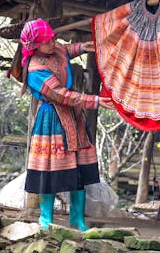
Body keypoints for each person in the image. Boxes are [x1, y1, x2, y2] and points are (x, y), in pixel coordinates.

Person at [19, 19, 113, 231]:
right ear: (35, 46)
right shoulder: (35, 70)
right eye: (48, 40)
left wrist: (83, 47)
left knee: (77, 166)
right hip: (51, 119)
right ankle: (45, 218)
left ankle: (77, 219)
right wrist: (95, 101)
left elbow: (65, 50)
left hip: (72, 117)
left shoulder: (54, 47)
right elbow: (62, 95)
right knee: (49, 169)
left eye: (53, 37)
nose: (54, 41)